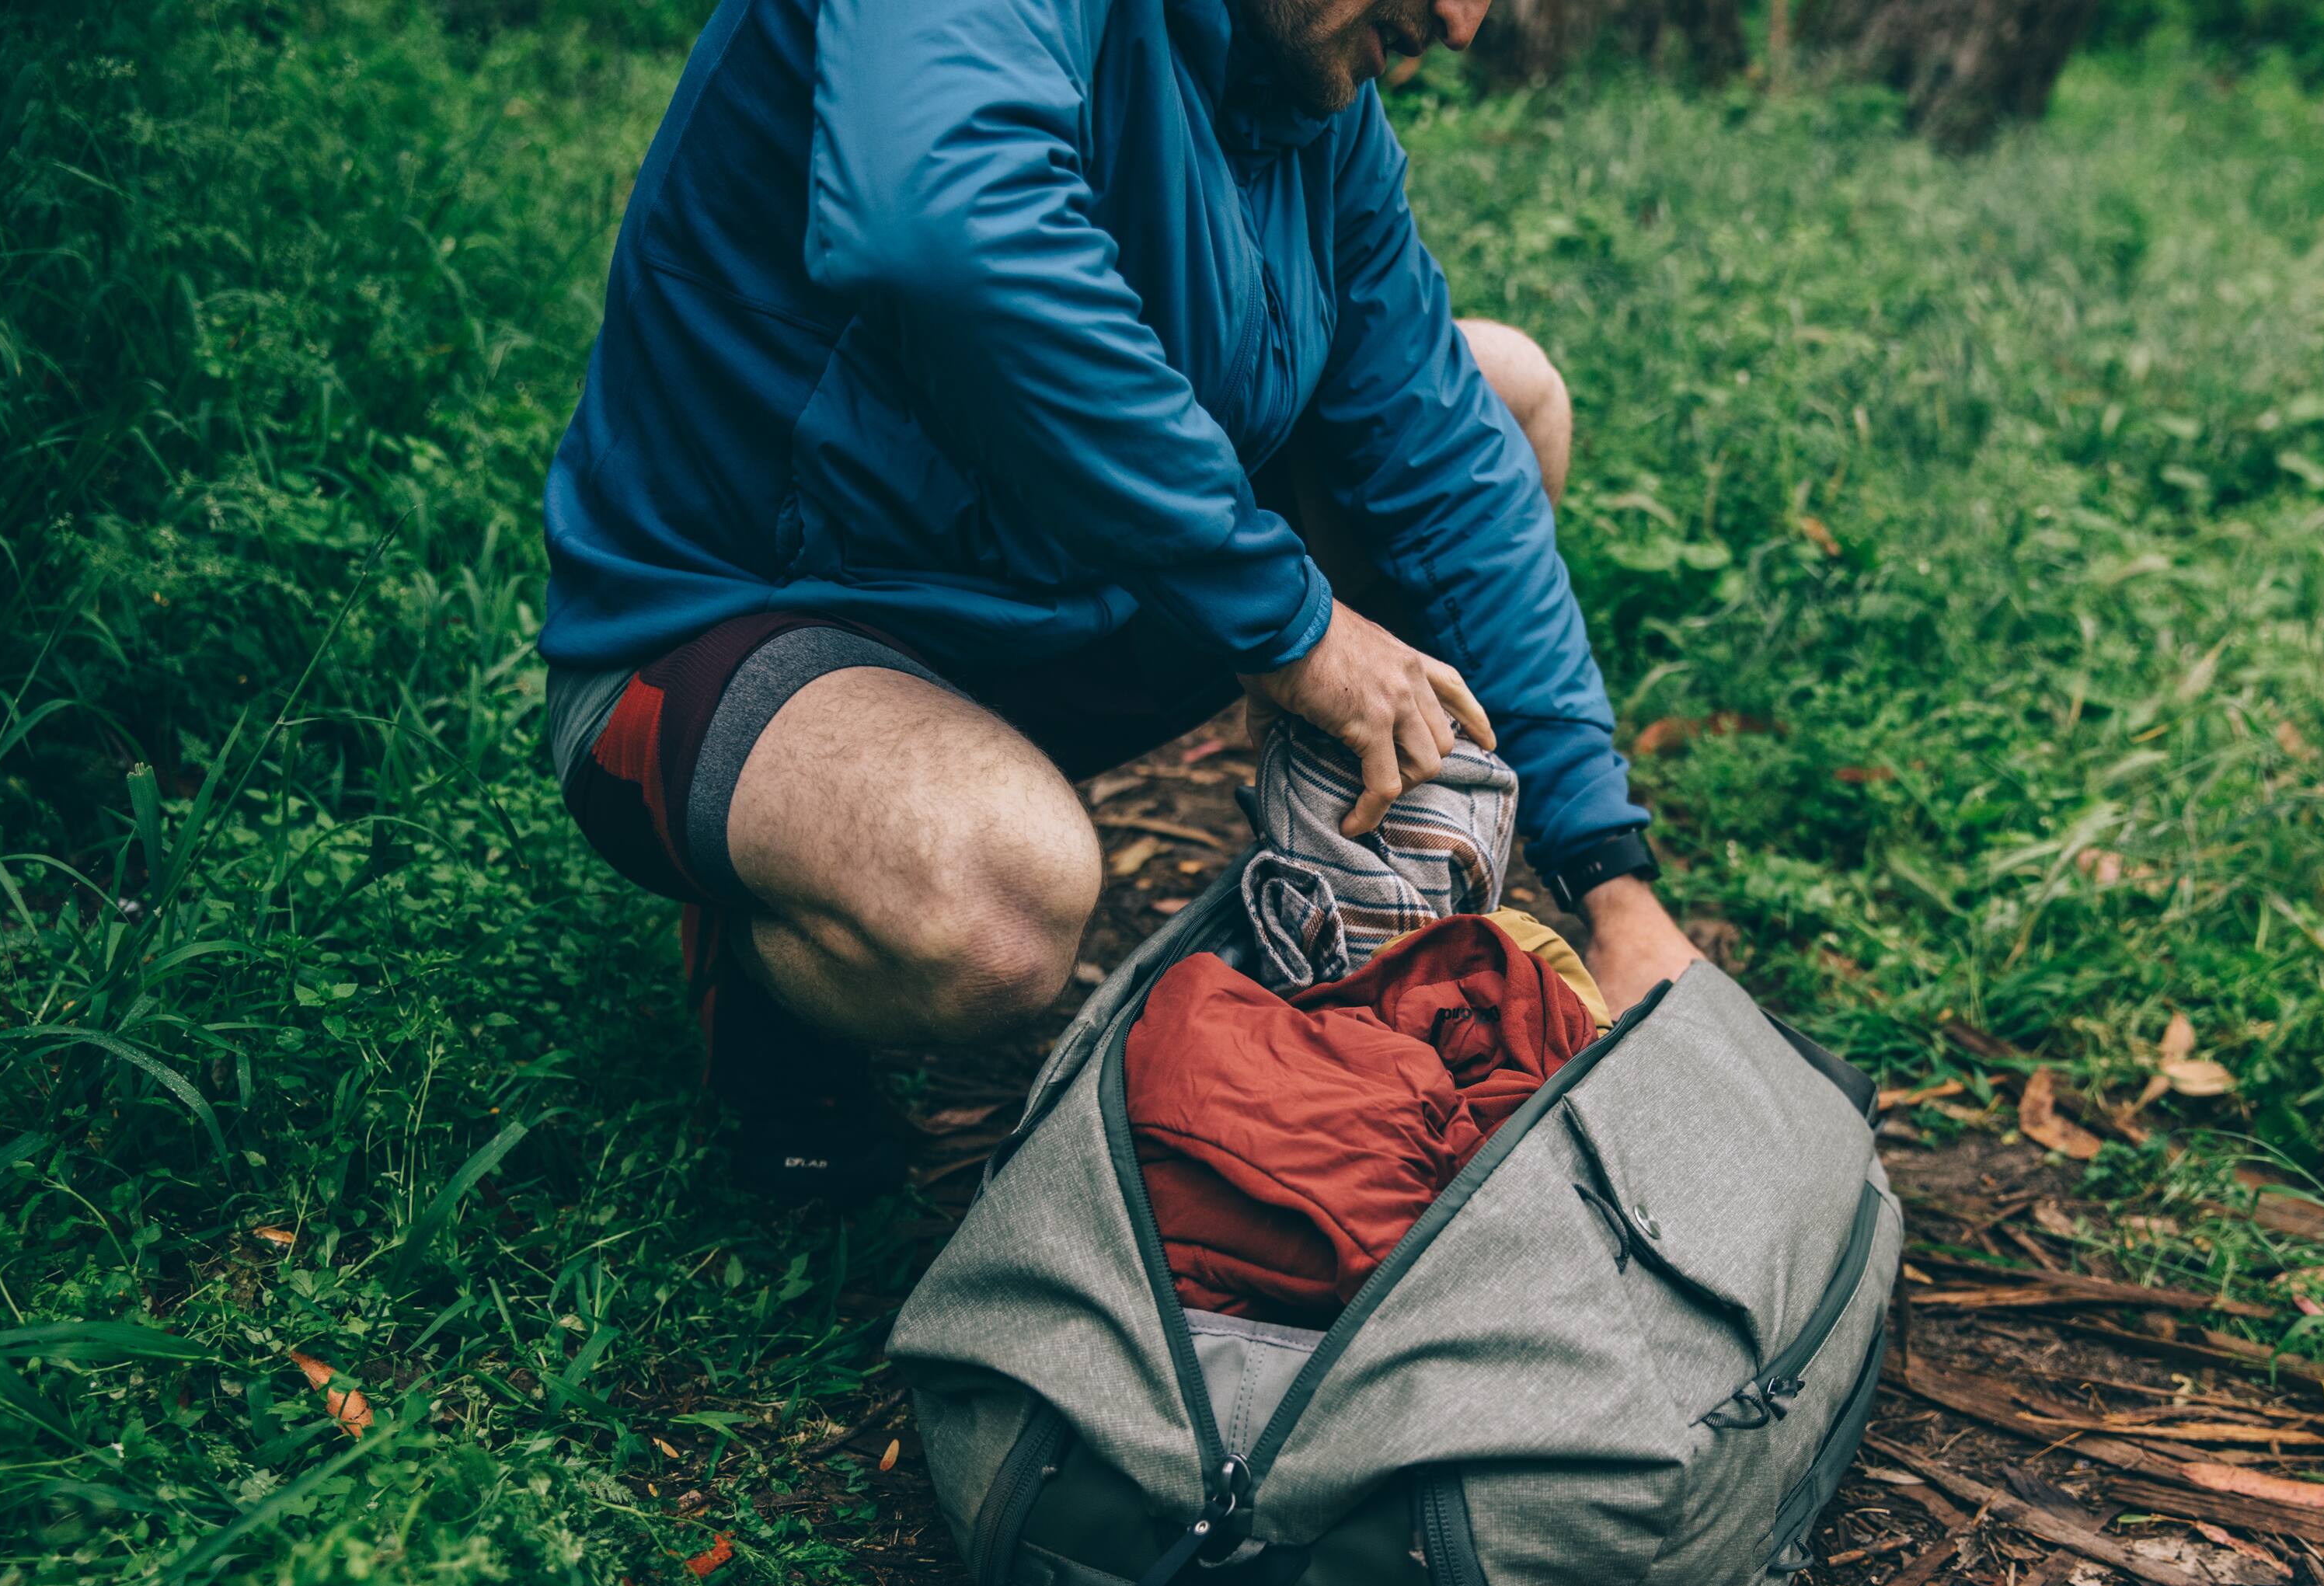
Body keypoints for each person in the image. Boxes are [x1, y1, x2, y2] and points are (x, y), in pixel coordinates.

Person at [538, 0, 1701, 1204]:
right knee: (995, 908)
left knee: (1505, 399)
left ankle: (1339, 937)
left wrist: (1612, 885)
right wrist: (1293, 627)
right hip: (733, 619)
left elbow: (1440, 454)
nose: (1459, 24)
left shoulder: (1304, 104)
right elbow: (945, 229)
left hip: (1038, 601)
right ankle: (773, 945)